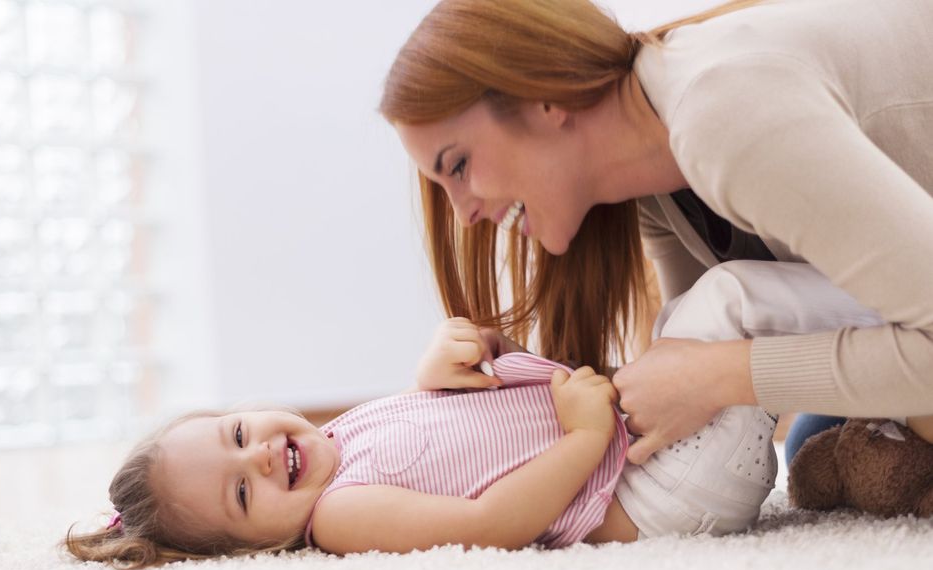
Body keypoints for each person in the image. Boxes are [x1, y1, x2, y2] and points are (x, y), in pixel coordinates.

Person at [379, 0, 933, 467]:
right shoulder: (655, 182)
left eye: (457, 167)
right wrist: (528, 384)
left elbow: (713, 370)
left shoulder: (723, 115)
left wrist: (724, 375)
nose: (464, 213)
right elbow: (685, 369)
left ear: (543, 100)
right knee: (819, 437)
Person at [63, 260, 890, 570]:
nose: (259, 458)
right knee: (727, 299)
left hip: (646, 448)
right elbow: (489, 518)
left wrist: (439, 374)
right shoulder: (342, 514)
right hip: (652, 496)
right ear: (254, 546)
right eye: (241, 495)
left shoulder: (337, 442)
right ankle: (907, 308)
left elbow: (439, 438)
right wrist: (586, 435)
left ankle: (880, 413)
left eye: (237, 435)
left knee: (696, 318)